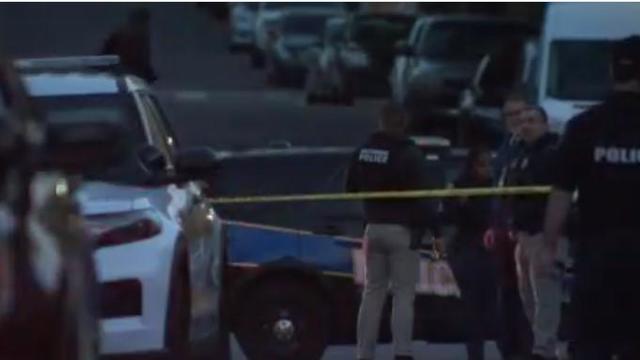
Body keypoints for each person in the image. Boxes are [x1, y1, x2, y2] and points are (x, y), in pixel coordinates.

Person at [543, 35, 640, 360]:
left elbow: (560, 193)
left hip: (596, 257)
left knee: (590, 346)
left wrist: (548, 246)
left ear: (613, 72)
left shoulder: (584, 126)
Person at [346, 102, 441, 360]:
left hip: (373, 228)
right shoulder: (409, 154)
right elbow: (425, 199)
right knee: (403, 294)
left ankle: (364, 353)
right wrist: (436, 232)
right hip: (402, 230)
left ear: (380, 122)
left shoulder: (363, 151)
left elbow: (350, 188)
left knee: (373, 292)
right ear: (404, 123)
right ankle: (402, 352)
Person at [505, 106, 561, 360]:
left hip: (543, 234)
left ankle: (542, 348)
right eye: (522, 121)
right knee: (526, 295)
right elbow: (508, 192)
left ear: (545, 124)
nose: (525, 125)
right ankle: (544, 346)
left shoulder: (553, 153)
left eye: (532, 121)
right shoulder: (516, 154)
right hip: (522, 236)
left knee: (545, 294)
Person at [485, 90, 533, 360]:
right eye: (509, 115)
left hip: (526, 234)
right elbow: (496, 192)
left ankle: (527, 349)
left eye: (520, 113)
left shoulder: (536, 149)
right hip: (503, 235)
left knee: (527, 295)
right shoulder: (504, 149)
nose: (515, 119)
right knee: (506, 296)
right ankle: (510, 347)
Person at [446, 146, 498, 360]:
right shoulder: (460, 186)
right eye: (482, 164)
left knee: (498, 308)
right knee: (473, 309)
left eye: (490, 164)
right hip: (469, 252)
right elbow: (448, 215)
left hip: (496, 252)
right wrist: (460, 203)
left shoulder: (498, 186)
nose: (488, 169)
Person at [101, 8, 157, 82]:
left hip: (124, 71)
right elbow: (141, 58)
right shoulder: (134, 35)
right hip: (123, 71)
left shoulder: (123, 32)